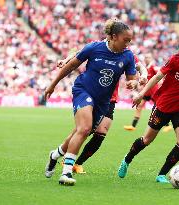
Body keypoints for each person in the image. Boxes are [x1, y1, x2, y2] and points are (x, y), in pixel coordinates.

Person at [44, 19, 138, 186]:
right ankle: (66, 172)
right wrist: (52, 85)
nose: (128, 43)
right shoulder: (94, 48)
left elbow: (132, 78)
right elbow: (70, 66)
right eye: (126, 40)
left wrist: (133, 83)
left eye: (130, 40)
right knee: (85, 128)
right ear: (114, 37)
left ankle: (55, 154)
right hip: (83, 91)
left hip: (103, 101)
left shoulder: (128, 55)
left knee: (81, 132)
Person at [117, 32, 179, 183]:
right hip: (164, 105)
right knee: (146, 140)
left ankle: (161, 174)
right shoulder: (176, 59)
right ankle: (127, 159)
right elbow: (157, 77)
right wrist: (141, 93)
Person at [57, 53, 148, 174]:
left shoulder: (126, 53)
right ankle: (64, 154)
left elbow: (140, 66)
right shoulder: (100, 47)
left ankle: (77, 163)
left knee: (101, 133)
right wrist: (66, 60)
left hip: (109, 99)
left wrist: (144, 75)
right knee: (84, 129)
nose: (126, 43)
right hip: (92, 94)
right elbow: (79, 53)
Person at [123, 53, 173, 132]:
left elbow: (161, 75)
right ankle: (133, 126)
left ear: (151, 59)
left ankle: (167, 125)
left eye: (148, 57)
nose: (146, 59)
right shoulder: (145, 69)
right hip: (146, 92)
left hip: (154, 92)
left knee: (160, 108)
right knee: (139, 107)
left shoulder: (153, 67)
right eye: (145, 57)